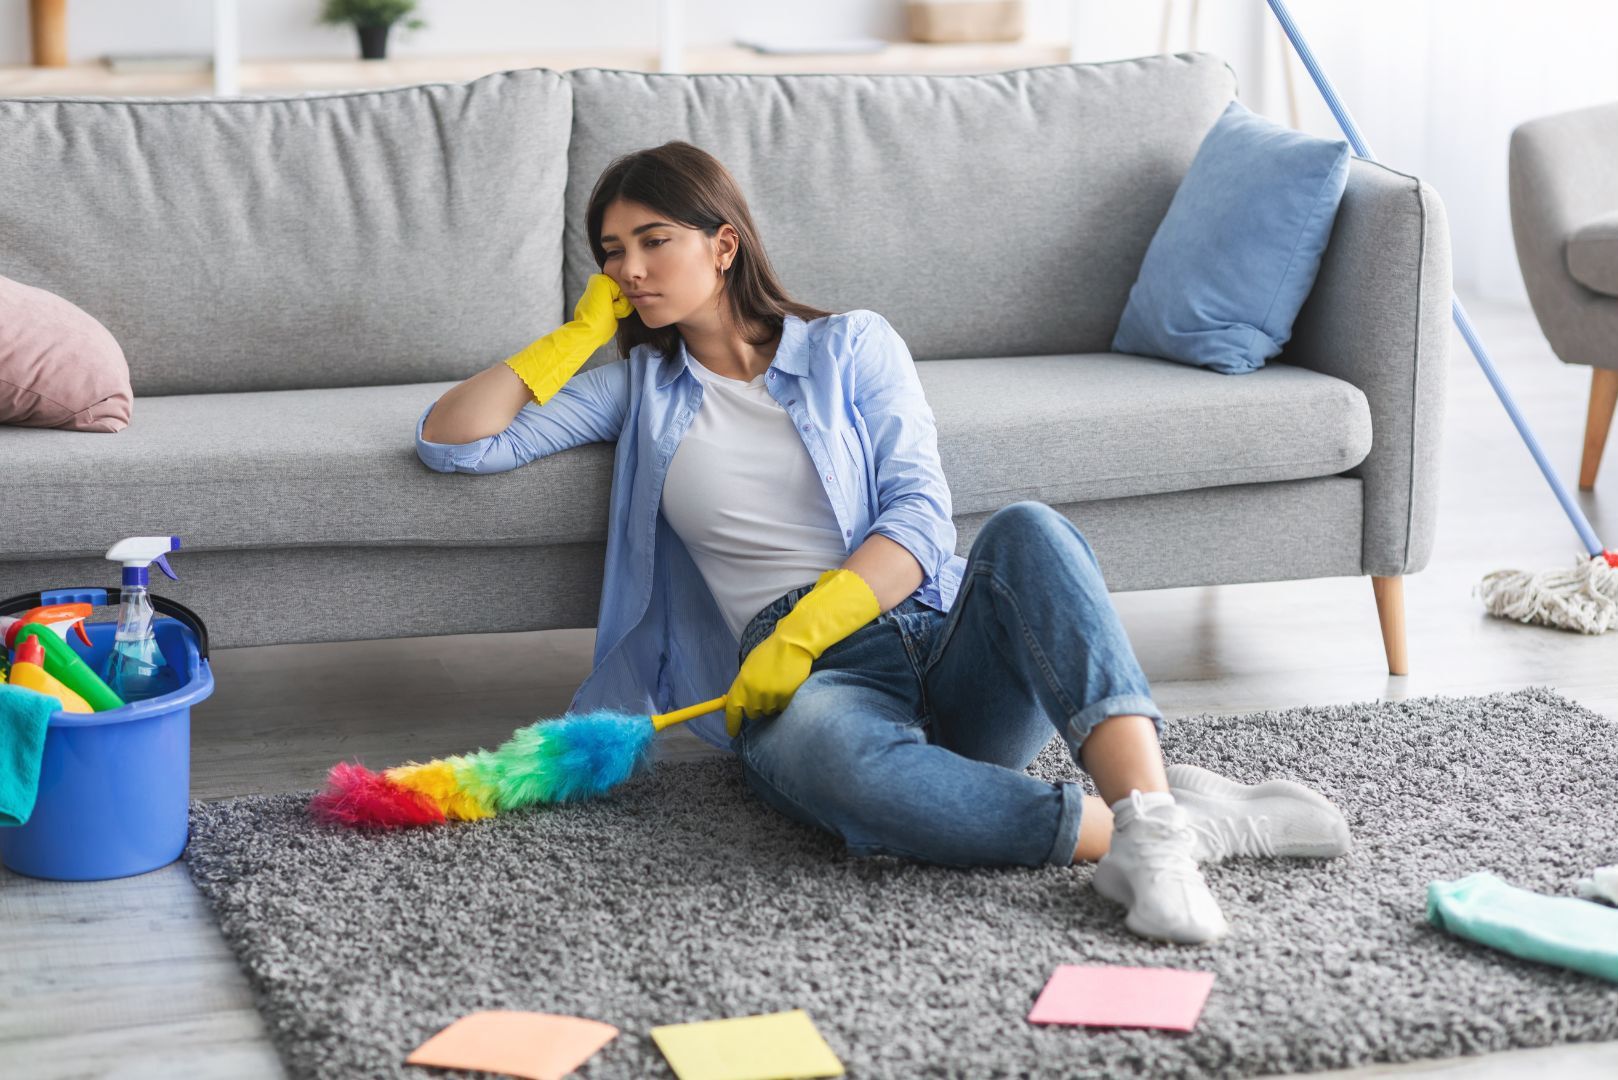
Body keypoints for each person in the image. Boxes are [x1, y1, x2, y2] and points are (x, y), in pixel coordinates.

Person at [417, 141, 1350, 945]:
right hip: (812, 689)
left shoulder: (850, 345)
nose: (631, 269)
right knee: (840, 769)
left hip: (929, 633)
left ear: (724, 243)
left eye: (654, 240)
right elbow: (454, 440)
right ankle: (1151, 831)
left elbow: (917, 518)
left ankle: (1149, 820)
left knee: (1030, 528)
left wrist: (807, 627)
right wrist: (575, 337)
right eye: (613, 253)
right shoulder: (638, 391)